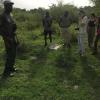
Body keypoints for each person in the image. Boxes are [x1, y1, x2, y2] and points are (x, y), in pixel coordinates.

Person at [0, 0, 18, 77]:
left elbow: (11, 25)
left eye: (12, 5)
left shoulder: (10, 15)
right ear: (5, 6)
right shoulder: (2, 16)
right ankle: (6, 72)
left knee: (13, 53)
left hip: (13, 36)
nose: (11, 7)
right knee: (9, 54)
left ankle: (11, 68)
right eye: (10, 6)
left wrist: (14, 27)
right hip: (7, 38)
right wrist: (6, 38)